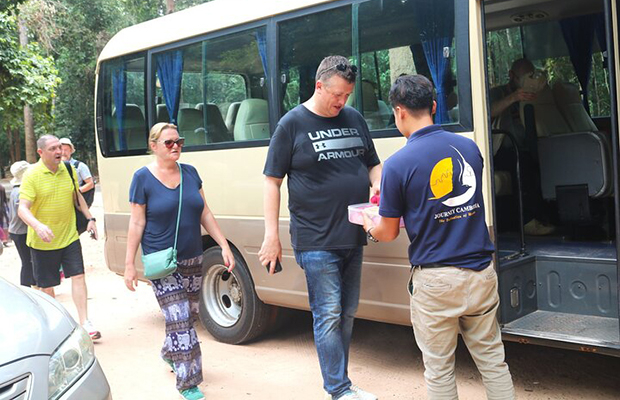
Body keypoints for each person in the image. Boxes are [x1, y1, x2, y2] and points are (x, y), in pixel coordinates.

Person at [363, 75, 515, 400]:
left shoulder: (398, 165)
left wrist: (368, 225)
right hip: (481, 273)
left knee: (440, 369)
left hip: (436, 282)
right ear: (433, 106)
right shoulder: (469, 148)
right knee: (493, 361)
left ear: (399, 111)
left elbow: (388, 231)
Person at [259, 55, 382, 400]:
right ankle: (338, 389)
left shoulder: (353, 118)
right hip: (315, 239)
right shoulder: (292, 124)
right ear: (319, 85)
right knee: (327, 314)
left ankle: (340, 381)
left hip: (353, 233)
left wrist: (377, 184)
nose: (341, 102)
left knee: (347, 312)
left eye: (347, 96)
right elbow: (272, 181)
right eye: (337, 95)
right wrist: (272, 236)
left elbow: (374, 165)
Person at [124, 122, 235, 400]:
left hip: (193, 257)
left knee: (190, 314)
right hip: (162, 262)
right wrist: (129, 265)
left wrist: (224, 245)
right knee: (181, 318)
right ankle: (189, 382)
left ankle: (169, 352)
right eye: (169, 143)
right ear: (153, 146)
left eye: (179, 141)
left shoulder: (190, 173)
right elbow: (136, 223)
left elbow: (204, 212)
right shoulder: (142, 178)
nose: (176, 147)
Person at [18, 135, 101, 340]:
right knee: (47, 286)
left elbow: (77, 196)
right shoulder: (32, 175)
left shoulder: (68, 169)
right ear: (41, 152)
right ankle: (56, 325)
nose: (59, 152)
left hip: (69, 236)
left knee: (79, 276)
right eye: (53, 148)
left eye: (60, 148)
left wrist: (90, 218)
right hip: (42, 242)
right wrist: (37, 226)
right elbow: (22, 209)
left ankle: (85, 322)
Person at [489, 58, 554, 236]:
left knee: (546, 162)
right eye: (524, 77)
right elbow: (488, 113)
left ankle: (547, 215)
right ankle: (527, 221)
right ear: (512, 76)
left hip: (528, 145)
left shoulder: (535, 93)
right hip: (501, 150)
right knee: (523, 164)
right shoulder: (498, 93)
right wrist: (514, 97)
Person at [8, 161, 36, 287]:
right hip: (21, 232)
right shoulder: (20, 191)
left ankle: (32, 284)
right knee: (27, 262)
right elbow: (23, 213)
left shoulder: (17, 190)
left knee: (29, 261)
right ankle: (26, 288)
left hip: (17, 231)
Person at [60, 137, 95, 234]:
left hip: (75, 204)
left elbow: (90, 183)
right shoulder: (54, 166)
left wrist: (76, 193)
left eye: (66, 150)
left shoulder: (80, 166)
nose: (63, 152)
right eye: (61, 149)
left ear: (71, 151)